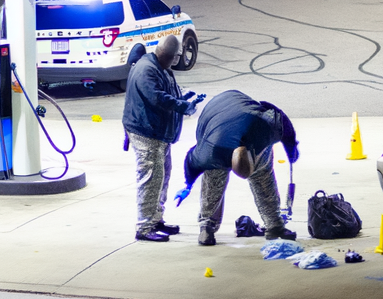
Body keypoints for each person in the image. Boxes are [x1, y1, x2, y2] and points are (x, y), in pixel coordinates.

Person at [175, 90, 300, 247]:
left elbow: (281, 119)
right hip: (215, 115)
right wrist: (188, 185)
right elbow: (191, 162)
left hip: (248, 116)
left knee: (264, 177)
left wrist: (292, 148)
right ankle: (206, 226)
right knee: (213, 181)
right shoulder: (211, 152)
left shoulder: (265, 129)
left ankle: (275, 226)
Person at [122, 35, 201, 242]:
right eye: (175, 57)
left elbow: (166, 93)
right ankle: (145, 226)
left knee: (161, 176)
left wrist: (184, 97)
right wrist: (183, 106)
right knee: (150, 179)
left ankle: (156, 219)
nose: (176, 61)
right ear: (169, 55)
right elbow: (157, 97)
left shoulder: (160, 66)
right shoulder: (147, 69)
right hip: (147, 133)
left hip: (158, 133)